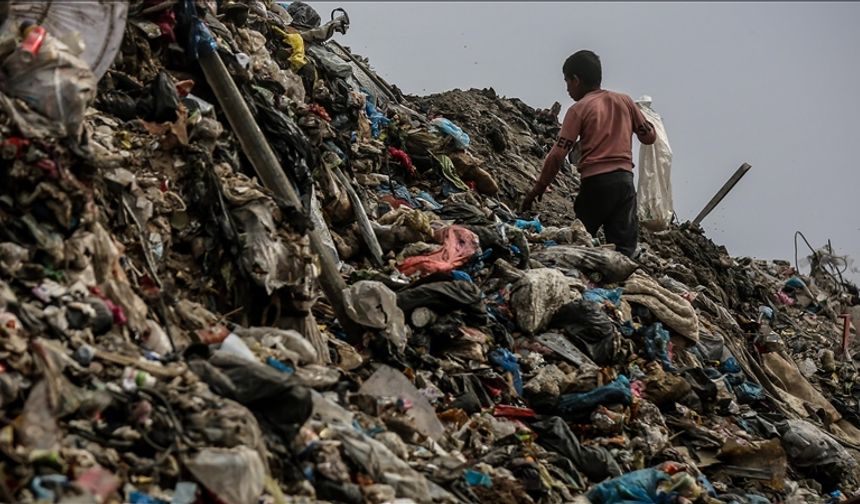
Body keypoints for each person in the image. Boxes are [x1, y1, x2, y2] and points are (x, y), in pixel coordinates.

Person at [521, 50, 656, 257]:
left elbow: (557, 155)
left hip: (596, 184)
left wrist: (538, 188)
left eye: (567, 82)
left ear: (576, 80)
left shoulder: (579, 109)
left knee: (581, 241)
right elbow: (649, 137)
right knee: (623, 251)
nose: (567, 88)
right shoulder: (625, 101)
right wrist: (643, 120)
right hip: (624, 183)